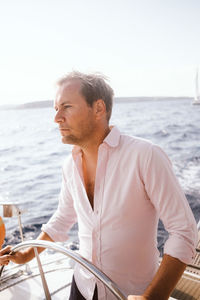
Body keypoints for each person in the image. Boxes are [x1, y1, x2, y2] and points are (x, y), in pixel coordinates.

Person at [0, 71, 198, 300]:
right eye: (56, 109)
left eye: (66, 107)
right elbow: (64, 217)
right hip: (82, 286)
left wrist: (152, 297)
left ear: (98, 109)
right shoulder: (69, 165)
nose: (57, 118)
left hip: (130, 293)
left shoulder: (145, 156)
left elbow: (184, 230)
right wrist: (27, 254)